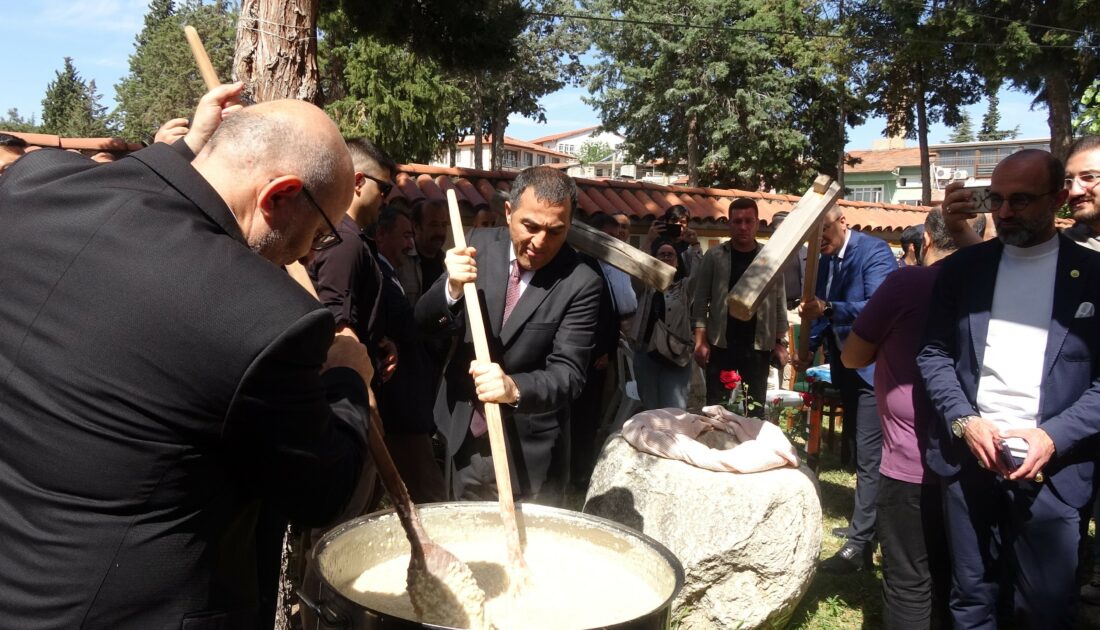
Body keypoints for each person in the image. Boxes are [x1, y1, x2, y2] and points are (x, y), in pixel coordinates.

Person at [0, 84, 376, 628]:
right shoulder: (266, 319)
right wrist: (347, 378)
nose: (305, 255)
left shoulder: (38, 185)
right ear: (277, 197)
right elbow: (325, 493)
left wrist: (189, 150)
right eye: (318, 235)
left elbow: (132, 179)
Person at [917, 149, 1100, 627]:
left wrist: (1053, 435)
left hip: (1055, 471)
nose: (1003, 212)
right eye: (995, 199)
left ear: (1059, 197)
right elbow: (934, 354)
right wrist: (964, 421)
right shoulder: (963, 270)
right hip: (970, 461)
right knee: (971, 598)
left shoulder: (1094, 277)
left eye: (1020, 200)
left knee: (1044, 608)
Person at [416, 165, 601, 502]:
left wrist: (514, 388)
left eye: (555, 231)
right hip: (465, 438)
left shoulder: (581, 281)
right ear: (508, 212)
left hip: (529, 454)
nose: (540, 242)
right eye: (530, 226)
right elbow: (425, 324)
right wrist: (452, 289)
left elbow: (569, 374)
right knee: (466, 539)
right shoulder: (475, 246)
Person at [840, 209, 984, 628]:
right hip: (977, 458)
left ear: (923, 242)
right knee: (961, 577)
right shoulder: (989, 288)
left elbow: (852, 356)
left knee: (909, 579)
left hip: (911, 464)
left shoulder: (908, 283)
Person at [798, 206, 897, 573]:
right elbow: (818, 312)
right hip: (847, 368)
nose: (818, 240)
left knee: (870, 455)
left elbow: (879, 306)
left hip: (875, 368)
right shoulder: (822, 260)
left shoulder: (873, 252)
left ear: (843, 222)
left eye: (823, 229)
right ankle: (865, 526)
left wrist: (828, 309)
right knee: (859, 449)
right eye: (812, 235)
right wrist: (805, 349)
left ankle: (860, 547)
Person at [693, 197, 788, 415]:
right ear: (729, 223)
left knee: (754, 411)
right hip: (721, 343)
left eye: (748, 221)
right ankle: (717, 448)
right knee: (717, 409)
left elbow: (779, 303)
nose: (743, 227)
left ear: (757, 223)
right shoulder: (715, 256)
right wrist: (700, 341)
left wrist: (780, 342)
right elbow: (700, 301)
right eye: (737, 221)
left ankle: (750, 447)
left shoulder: (769, 258)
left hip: (757, 346)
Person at [632, 239, 694, 409]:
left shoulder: (685, 287)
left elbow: (701, 275)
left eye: (671, 255)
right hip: (646, 352)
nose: (666, 257)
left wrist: (694, 245)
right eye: (662, 254)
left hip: (677, 354)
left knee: (674, 409)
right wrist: (647, 239)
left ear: (677, 261)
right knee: (650, 408)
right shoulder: (644, 286)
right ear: (654, 258)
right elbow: (635, 269)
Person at [403, 197, 450, 307]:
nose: (440, 232)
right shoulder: (401, 261)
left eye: (443, 225)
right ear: (416, 227)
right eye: (434, 225)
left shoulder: (448, 265)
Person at [645, 204, 702, 275]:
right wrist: (649, 240)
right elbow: (643, 266)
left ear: (687, 225)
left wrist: (695, 244)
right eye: (674, 221)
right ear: (666, 222)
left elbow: (698, 270)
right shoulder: (657, 241)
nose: (678, 224)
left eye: (682, 222)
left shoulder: (689, 245)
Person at [771, 210, 808, 310]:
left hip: (798, 309)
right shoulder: (766, 254)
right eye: (777, 229)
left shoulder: (806, 253)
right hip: (774, 309)